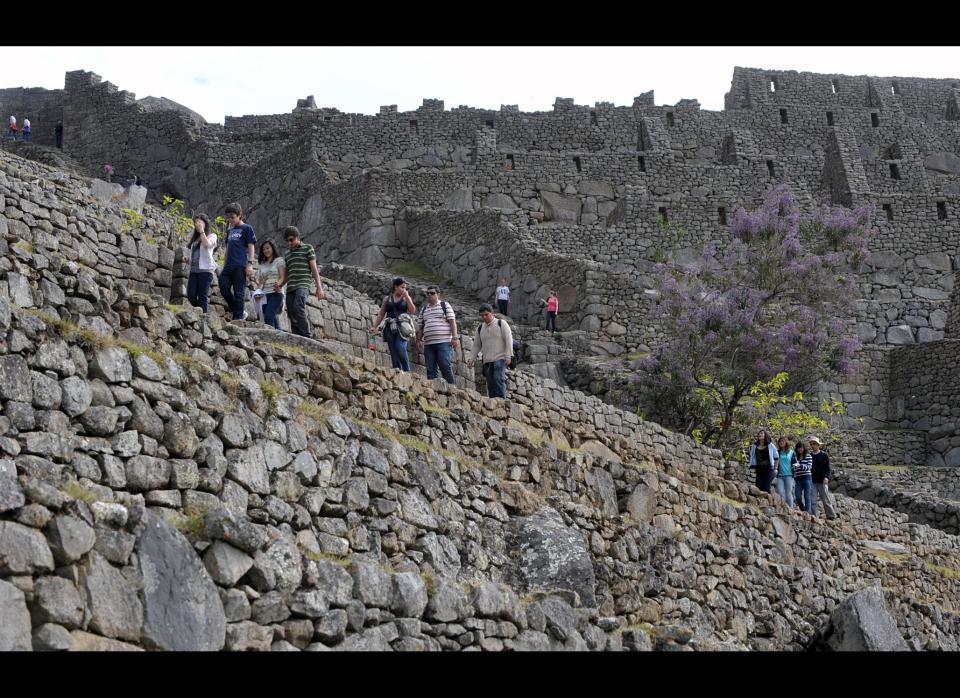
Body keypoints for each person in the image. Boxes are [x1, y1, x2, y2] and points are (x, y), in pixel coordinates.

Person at [281, 226, 324, 338]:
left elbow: (314, 269)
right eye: (287, 241)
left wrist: (319, 288)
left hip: (303, 284)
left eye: (291, 239)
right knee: (290, 311)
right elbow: (286, 275)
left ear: (298, 237)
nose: (289, 243)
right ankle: (297, 336)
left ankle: (307, 335)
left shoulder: (308, 248)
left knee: (298, 306)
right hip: (291, 287)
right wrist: (279, 285)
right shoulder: (287, 254)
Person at [218, 202, 257, 321]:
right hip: (228, 266)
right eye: (228, 217)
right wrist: (224, 264)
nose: (230, 220)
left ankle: (238, 318)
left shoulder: (247, 228)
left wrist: (250, 264)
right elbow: (228, 248)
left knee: (239, 293)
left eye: (232, 217)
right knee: (223, 287)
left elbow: (251, 246)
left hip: (240, 265)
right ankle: (238, 311)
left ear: (240, 215)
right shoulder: (230, 231)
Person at [468, 303, 514, 399]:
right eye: (482, 315)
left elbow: (509, 340)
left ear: (492, 313)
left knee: (498, 379)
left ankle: (502, 402)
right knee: (490, 384)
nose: (484, 317)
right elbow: (476, 345)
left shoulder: (501, 323)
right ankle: (493, 404)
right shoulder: (480, 328)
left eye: (486, 314)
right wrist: (471, 358)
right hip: (487, 361)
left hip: (500, 358)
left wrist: (509, 355)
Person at [416, 285, 459, 384]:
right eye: (428, 293)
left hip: (443, 342)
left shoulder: (445, 305)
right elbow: (421, 327)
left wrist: (455, 337)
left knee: (444, 365)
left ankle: (452, 388)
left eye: (432, 293)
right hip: (428, 344)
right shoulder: (424, 309)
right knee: (430, 369)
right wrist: (418, 340)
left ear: (438, 294)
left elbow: (452, 322)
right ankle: (434, 392)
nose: (430, 295)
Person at [372, 278, 416, 372]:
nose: (404, 290)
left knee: (400, 347)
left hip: (402, 328)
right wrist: (374, 326)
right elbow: (381, 314)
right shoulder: (387, 299)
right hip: (389, 327)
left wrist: (407, 297)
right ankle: (397, 371)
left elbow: (412, 311)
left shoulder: (405, 298)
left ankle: (407, 371)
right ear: (395, 286)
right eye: (402, 287)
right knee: (393, 351)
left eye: (405, 288)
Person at [181, 214, 217, 316]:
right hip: (194, 271)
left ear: (205, 223)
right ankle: (201, 314)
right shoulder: (195, 241)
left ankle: (203, 318)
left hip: (206, 271)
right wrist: (188, 259)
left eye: (199, 222)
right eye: (196, 223)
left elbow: (207, 245)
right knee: (191, 295)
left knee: (203, 296)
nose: (197, 224)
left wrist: (202, 231)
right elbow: (197, 257)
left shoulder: (212, 236)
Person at [256, 240, 286, 330]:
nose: (266, 250)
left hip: (276, 293)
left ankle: (271, 339)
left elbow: (282, 277)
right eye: (264, 249)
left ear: (273, 248)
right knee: (272, 317)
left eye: (268, 248)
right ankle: (280, 337)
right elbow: (261, 282)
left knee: (269, 316)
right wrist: (258, 292)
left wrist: (279, 284)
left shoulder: (279, 261)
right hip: (265, 294)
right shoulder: (262, 265)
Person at [809, 436, 837, 520]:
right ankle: (815, 516)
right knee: (813, 501)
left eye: (814, 444)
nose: (813, 445)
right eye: (812, 444)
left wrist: (826, 477)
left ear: (818, 445)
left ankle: (831, 516)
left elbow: (828, 468)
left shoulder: (824, 455)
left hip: (822, 481)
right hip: (813, 481)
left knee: (826, 500)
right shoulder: (809, 456)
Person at [748, 428, 778, 493]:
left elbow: (776, 457)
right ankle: (760, 502)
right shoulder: (754, 446)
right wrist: (752, 465)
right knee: (758, 487)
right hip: (759, 469)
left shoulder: (770, 445)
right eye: (759, 433)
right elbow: (752, 456)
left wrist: (775, 468)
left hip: (769, 469)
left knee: (766, 487)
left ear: (765, 435)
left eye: (762, 433)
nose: (760, 434)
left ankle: (768, 502)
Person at [774, 436, 796, 507]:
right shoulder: (777, 452)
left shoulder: (791, 452)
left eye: (783, 441)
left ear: (786, 442)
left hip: (789, 475)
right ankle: (784, 507)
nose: (781, 443)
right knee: (779, 492)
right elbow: (774, 461)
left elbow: (795, 462)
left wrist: (795, 466)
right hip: (780, 475)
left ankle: (790, 509)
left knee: (788, 493)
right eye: (780, 441)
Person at [793, 440, 813, 513]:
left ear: (804, 448)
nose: (800, 449)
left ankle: (807, 512)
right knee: (798, 496)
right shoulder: (795, 457)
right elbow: (794, 468)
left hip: (807, 478)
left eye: (801, 447)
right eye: (798, 448)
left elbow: (809, 467)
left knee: (807, 496)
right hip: (798, 479)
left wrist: (800, 465)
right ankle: (803, 509)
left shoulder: (808, 456)